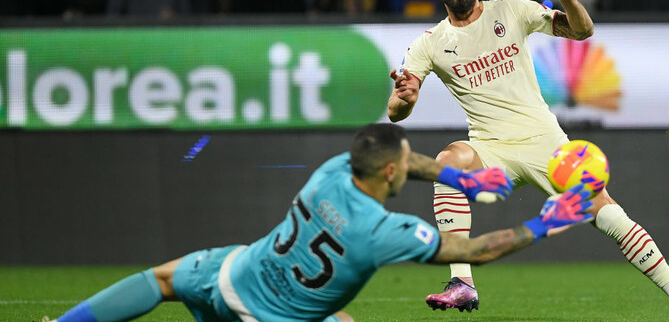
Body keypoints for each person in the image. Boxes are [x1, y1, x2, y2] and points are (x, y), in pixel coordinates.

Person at [386, 0, 669, 322]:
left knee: (609, 216)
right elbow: (395, 111)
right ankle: (462, 282)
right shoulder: (429, 43)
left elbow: (582, 31)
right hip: (491, 149)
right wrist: (405, 97)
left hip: (546, 144)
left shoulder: (512, 10)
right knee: (447, 163)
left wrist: (568, 1)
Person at [43, 123, 594, 322]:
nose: (413, 165)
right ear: (390, 172)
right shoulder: (384, 233)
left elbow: (405, 160)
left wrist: (462, 180)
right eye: (406, 163)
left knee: (161, 279)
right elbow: (476, 251)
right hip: (273, 316)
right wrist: (545, 222)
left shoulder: (333, 170)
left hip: (236, 273)